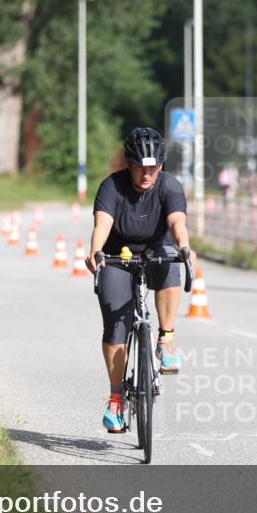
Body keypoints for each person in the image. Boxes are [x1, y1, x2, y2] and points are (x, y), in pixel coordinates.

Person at [85, 127, 196, 433]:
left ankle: (166, 340)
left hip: (155, 249)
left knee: (172, 260)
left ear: (161, 165)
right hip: (116, 256)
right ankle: (117, 399)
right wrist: (95, 252)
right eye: (140, 167)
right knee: (115, 327)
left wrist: (185, 248)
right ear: (129, 165)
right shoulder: (112, 187)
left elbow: (177, 222)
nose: (146, 174)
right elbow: (102, 224)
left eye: (153, 168)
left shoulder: (170, 186)